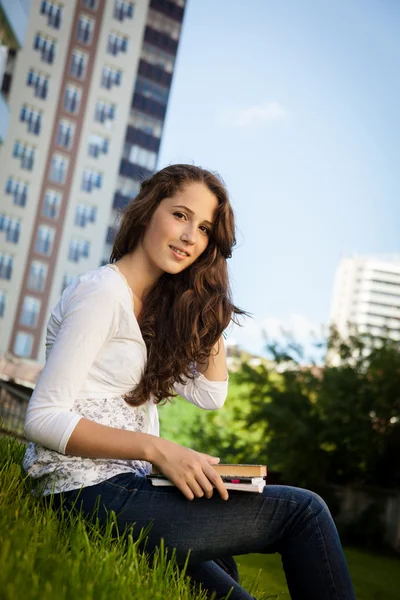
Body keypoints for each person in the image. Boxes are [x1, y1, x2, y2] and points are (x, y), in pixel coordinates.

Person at [23, 164, 356, 600]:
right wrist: (159, 450)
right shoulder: (103, 294)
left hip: (126, 487)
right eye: (180, 215)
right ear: (147, 210)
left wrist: (210, 300)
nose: (189, 237)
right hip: (83, 491)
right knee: (304, 513)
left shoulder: (153, 309)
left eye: (203, 230)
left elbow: (210, 394)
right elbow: (42, 418)